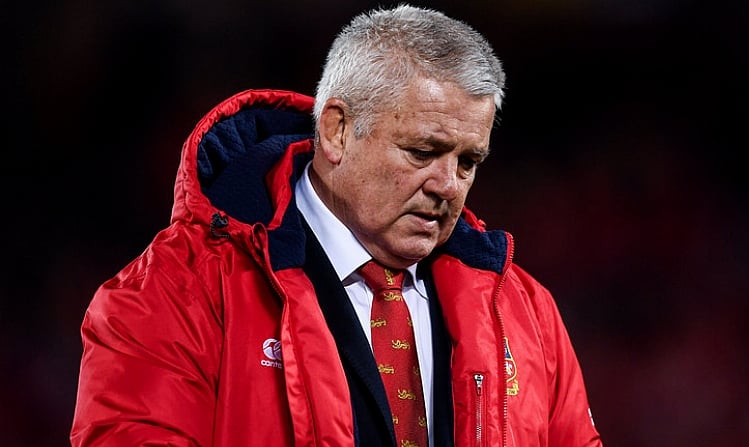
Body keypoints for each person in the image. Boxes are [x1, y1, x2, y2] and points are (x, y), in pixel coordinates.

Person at [71, 4, 603, 446]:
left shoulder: (525, 314)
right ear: (338, 131)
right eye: (423, 152)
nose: (449, 186)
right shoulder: (176, 293)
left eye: (468, 162)